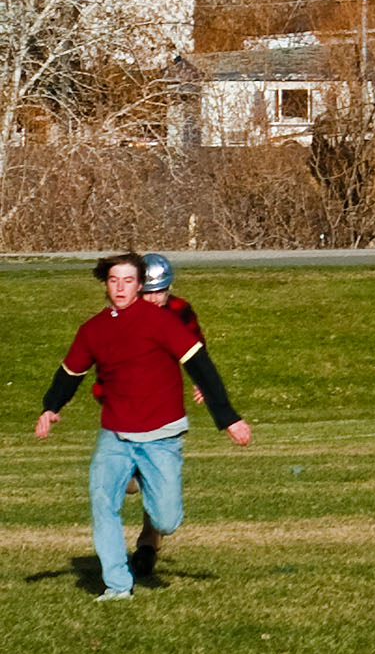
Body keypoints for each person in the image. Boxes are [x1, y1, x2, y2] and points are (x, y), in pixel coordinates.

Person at [38, 254, 254, 602]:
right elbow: (70, 373)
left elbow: (202, 366)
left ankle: (145, 491)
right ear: (105, 285)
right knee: (102, 501)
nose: (120, 288)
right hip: (115, 434)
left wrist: (228, 417)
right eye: (113, 280)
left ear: (139, 285)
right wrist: (51, 407)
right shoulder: (93, 329)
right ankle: (118, 585)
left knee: (166, 520)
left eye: (128, 281)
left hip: (161, 434)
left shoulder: (164, 322)